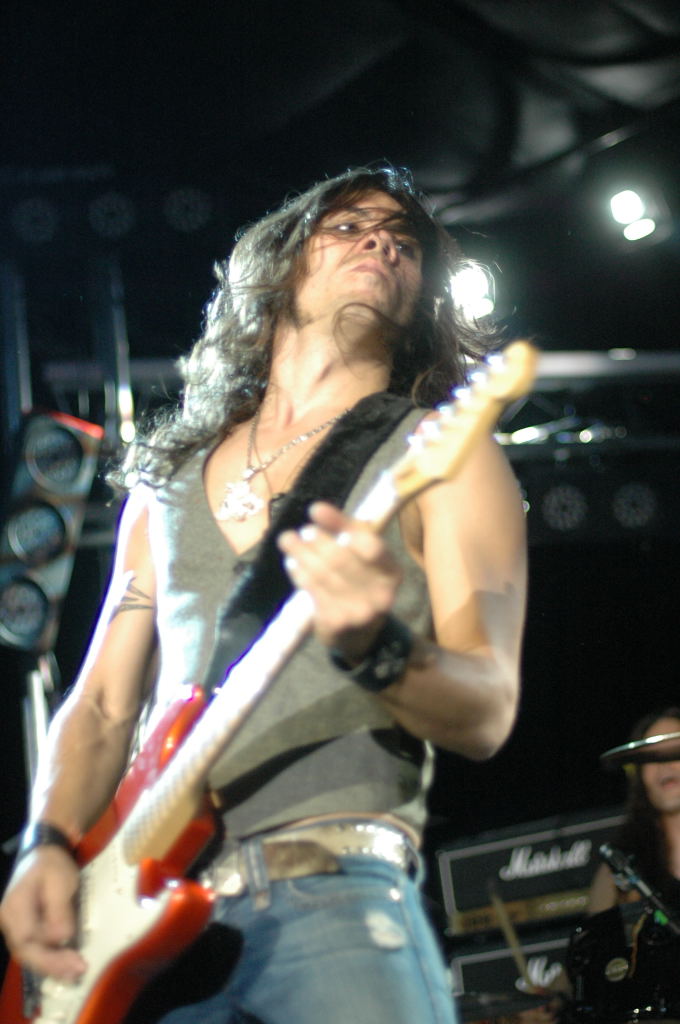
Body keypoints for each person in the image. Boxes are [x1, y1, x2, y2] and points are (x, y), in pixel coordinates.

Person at [0, 166, 527, 1024]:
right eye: (348, 225)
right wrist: (45, 845)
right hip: (138, 931)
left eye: (404, 241)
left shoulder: (445, 457)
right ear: (278, 266)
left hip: (330, 891)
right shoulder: (164, 485)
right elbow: (99, 705)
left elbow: (489, 709)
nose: (382, 242)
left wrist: (377, 648)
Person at [589, 706, 680, 915]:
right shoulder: (622, 865)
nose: (664, 766)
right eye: (650, 758)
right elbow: (602, 932)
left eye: (674, 752)